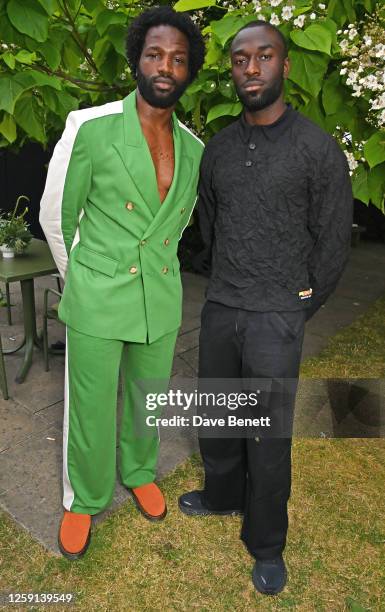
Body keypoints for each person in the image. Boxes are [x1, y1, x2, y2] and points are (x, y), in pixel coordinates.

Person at [179, 21, 353, 595]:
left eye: (263, 56)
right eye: (239, 60)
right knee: (221, 416)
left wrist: (303, 302)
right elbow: (208, 222)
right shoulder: (221, 149)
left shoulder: (316, 149)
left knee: (268, 435)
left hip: (277, 314)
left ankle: (267, 542)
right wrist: (225, 277)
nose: (250, 68)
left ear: (284, 65)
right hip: (223, 304)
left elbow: (332, 241)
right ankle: (222, 496)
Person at [40, 6, 205, 560]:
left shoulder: (195, 150)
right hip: (98, 293)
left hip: (159, 296)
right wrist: (85, 279)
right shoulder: (89, 126)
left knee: (148, 399)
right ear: (137, 58)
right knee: (88, 405)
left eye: (178, 59)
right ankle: (83, 499)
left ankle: (138, 470)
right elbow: (56, 216)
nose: (166, 66)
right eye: (155, 54)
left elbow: (178, 224)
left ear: (189, 70)